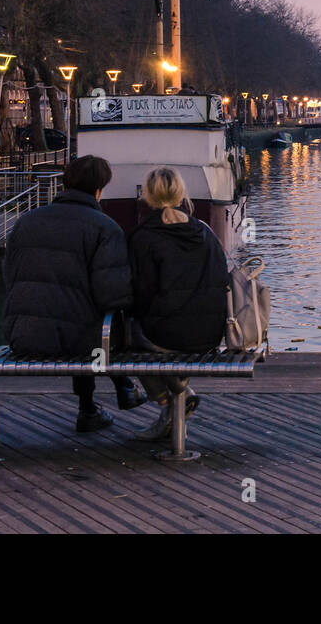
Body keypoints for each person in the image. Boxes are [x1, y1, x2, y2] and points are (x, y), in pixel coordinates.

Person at [1, 154, 147, 433]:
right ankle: (117, 389)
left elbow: (9, 276)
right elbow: (112, 295)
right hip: (79, 340)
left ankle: (98, 402)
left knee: (76, 317)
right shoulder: (105, 228)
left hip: (22, 334)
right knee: (97, 324)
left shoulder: (26, 222)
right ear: (99, 190)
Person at [126, 166, 229, 442]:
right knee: (162, 335)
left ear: (147, 195)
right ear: (182, 193)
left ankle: (167, 401)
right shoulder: (205, 233)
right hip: (209, 334)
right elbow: (221, 281)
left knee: (128, 337)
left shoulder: (143, 237)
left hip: (165, 335)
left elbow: (139, 295)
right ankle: (176, 406)